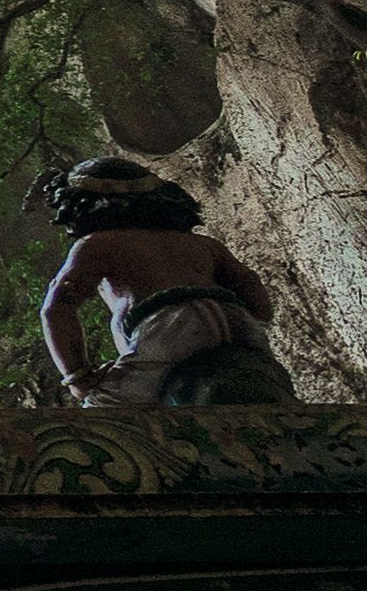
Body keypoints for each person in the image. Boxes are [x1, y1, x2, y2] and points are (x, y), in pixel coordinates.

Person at [36, 157, 300, 406]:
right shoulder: (202, 243)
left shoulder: (98, 244)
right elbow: (250, 284)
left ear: (79, 204)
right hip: (237, 321)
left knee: (102, 410)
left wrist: (78, 377)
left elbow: (57, 307)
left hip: (169, 328)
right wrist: (254, 322)